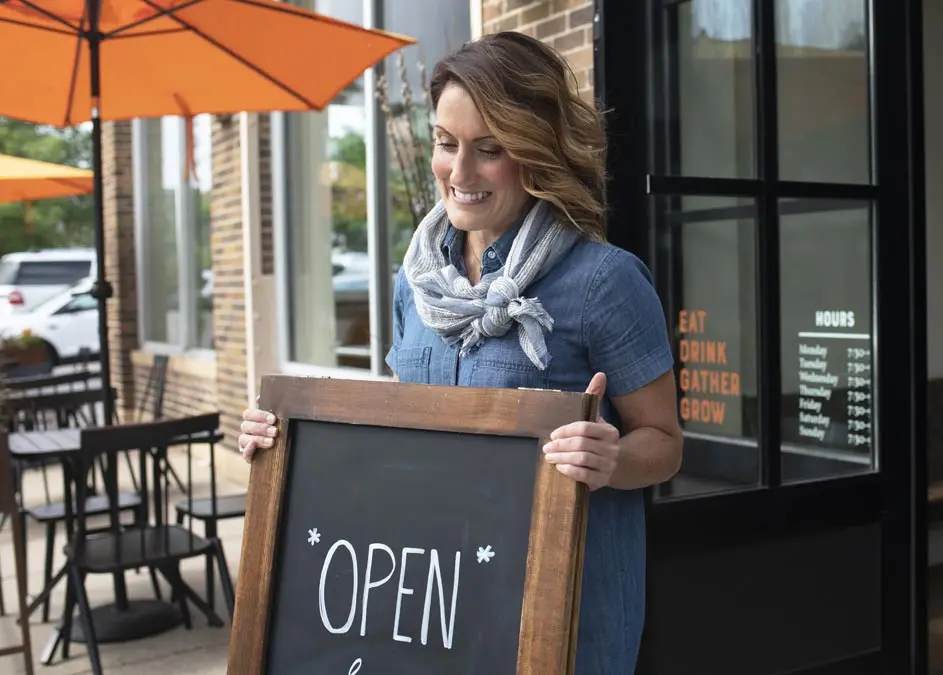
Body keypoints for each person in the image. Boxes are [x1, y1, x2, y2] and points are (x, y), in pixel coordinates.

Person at [238, 31, 683, 674]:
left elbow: (665, 444)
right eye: (447, 145)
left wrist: (611, 458)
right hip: (437, 607)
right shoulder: (412, 284)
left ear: (538, 151)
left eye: (490, 150)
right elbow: (402, 442)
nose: (460, 173)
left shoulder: (604, 282)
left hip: (563, 618)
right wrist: (288, 441)